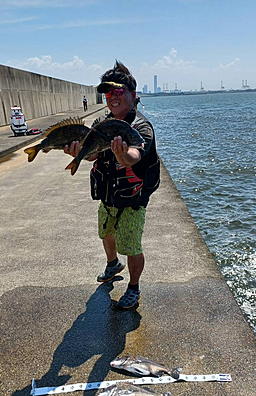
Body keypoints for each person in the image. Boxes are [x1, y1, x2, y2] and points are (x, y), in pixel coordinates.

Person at [64, 61, 160, 309]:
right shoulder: (102, 124)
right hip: (108, 194)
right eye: (108, 93)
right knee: (106, 233)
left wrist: (121, 154)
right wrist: (78, 153)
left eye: (118, 91)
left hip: (133, 200)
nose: (112, 97)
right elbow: (94, 154)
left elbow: (135, 156)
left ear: (133, 95)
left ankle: (133, 288)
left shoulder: (141, 128)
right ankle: (112, 264)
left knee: (130, 244)